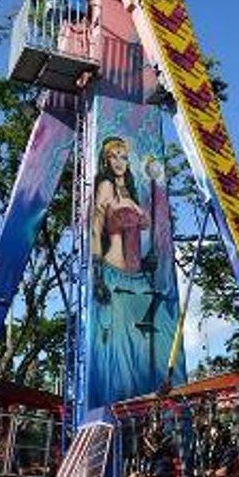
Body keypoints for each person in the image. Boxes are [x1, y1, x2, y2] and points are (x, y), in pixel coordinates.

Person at [90, 136, 168, 403]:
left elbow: (140, 231)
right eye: (114, 156)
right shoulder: (105, 187)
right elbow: (95, 230)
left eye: (123, 156)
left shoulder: (131, 192)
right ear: (106, 160)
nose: (120, 162)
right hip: (113, 273)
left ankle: (146, 410)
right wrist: (97, 276)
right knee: (119, 349)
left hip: (137, 277)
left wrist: (147, 262)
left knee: (143, 346)